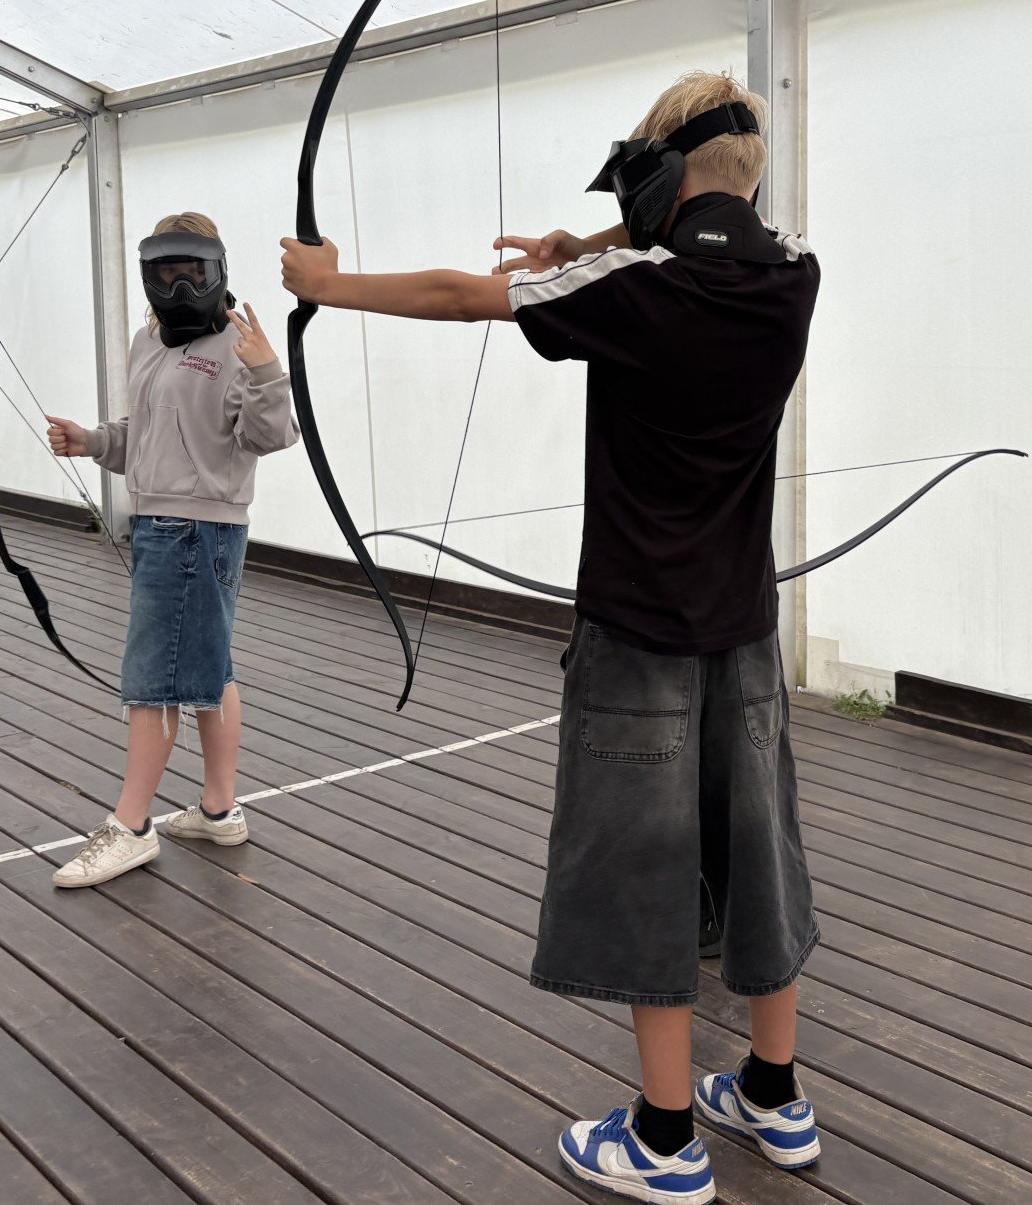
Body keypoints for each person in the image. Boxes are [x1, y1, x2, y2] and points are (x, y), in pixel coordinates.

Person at [281, 71, 821, 1204]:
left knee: (644, 869)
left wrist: (329, 286)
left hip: (637, 635)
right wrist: (585, 244)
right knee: (759, 852)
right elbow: (707, 229)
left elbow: (458, 295)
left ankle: (664, 1139)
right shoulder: (792, 275)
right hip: (744, 631)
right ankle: (773, 1095)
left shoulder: (632, 291)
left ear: (658, 178)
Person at [45, 211, 298, 889]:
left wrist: (267, 370)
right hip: (159, 523)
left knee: (153, 678)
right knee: (211, 668)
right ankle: (218, 809)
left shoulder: (238, 343)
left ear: (216, 270)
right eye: (167, 272)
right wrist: (92, 441)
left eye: (192, 271)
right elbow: (146, 435)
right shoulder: (147, 341)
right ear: (149, 274)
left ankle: (131, 827)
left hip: (197, 530)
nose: (180, 285)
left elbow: (270, 436)